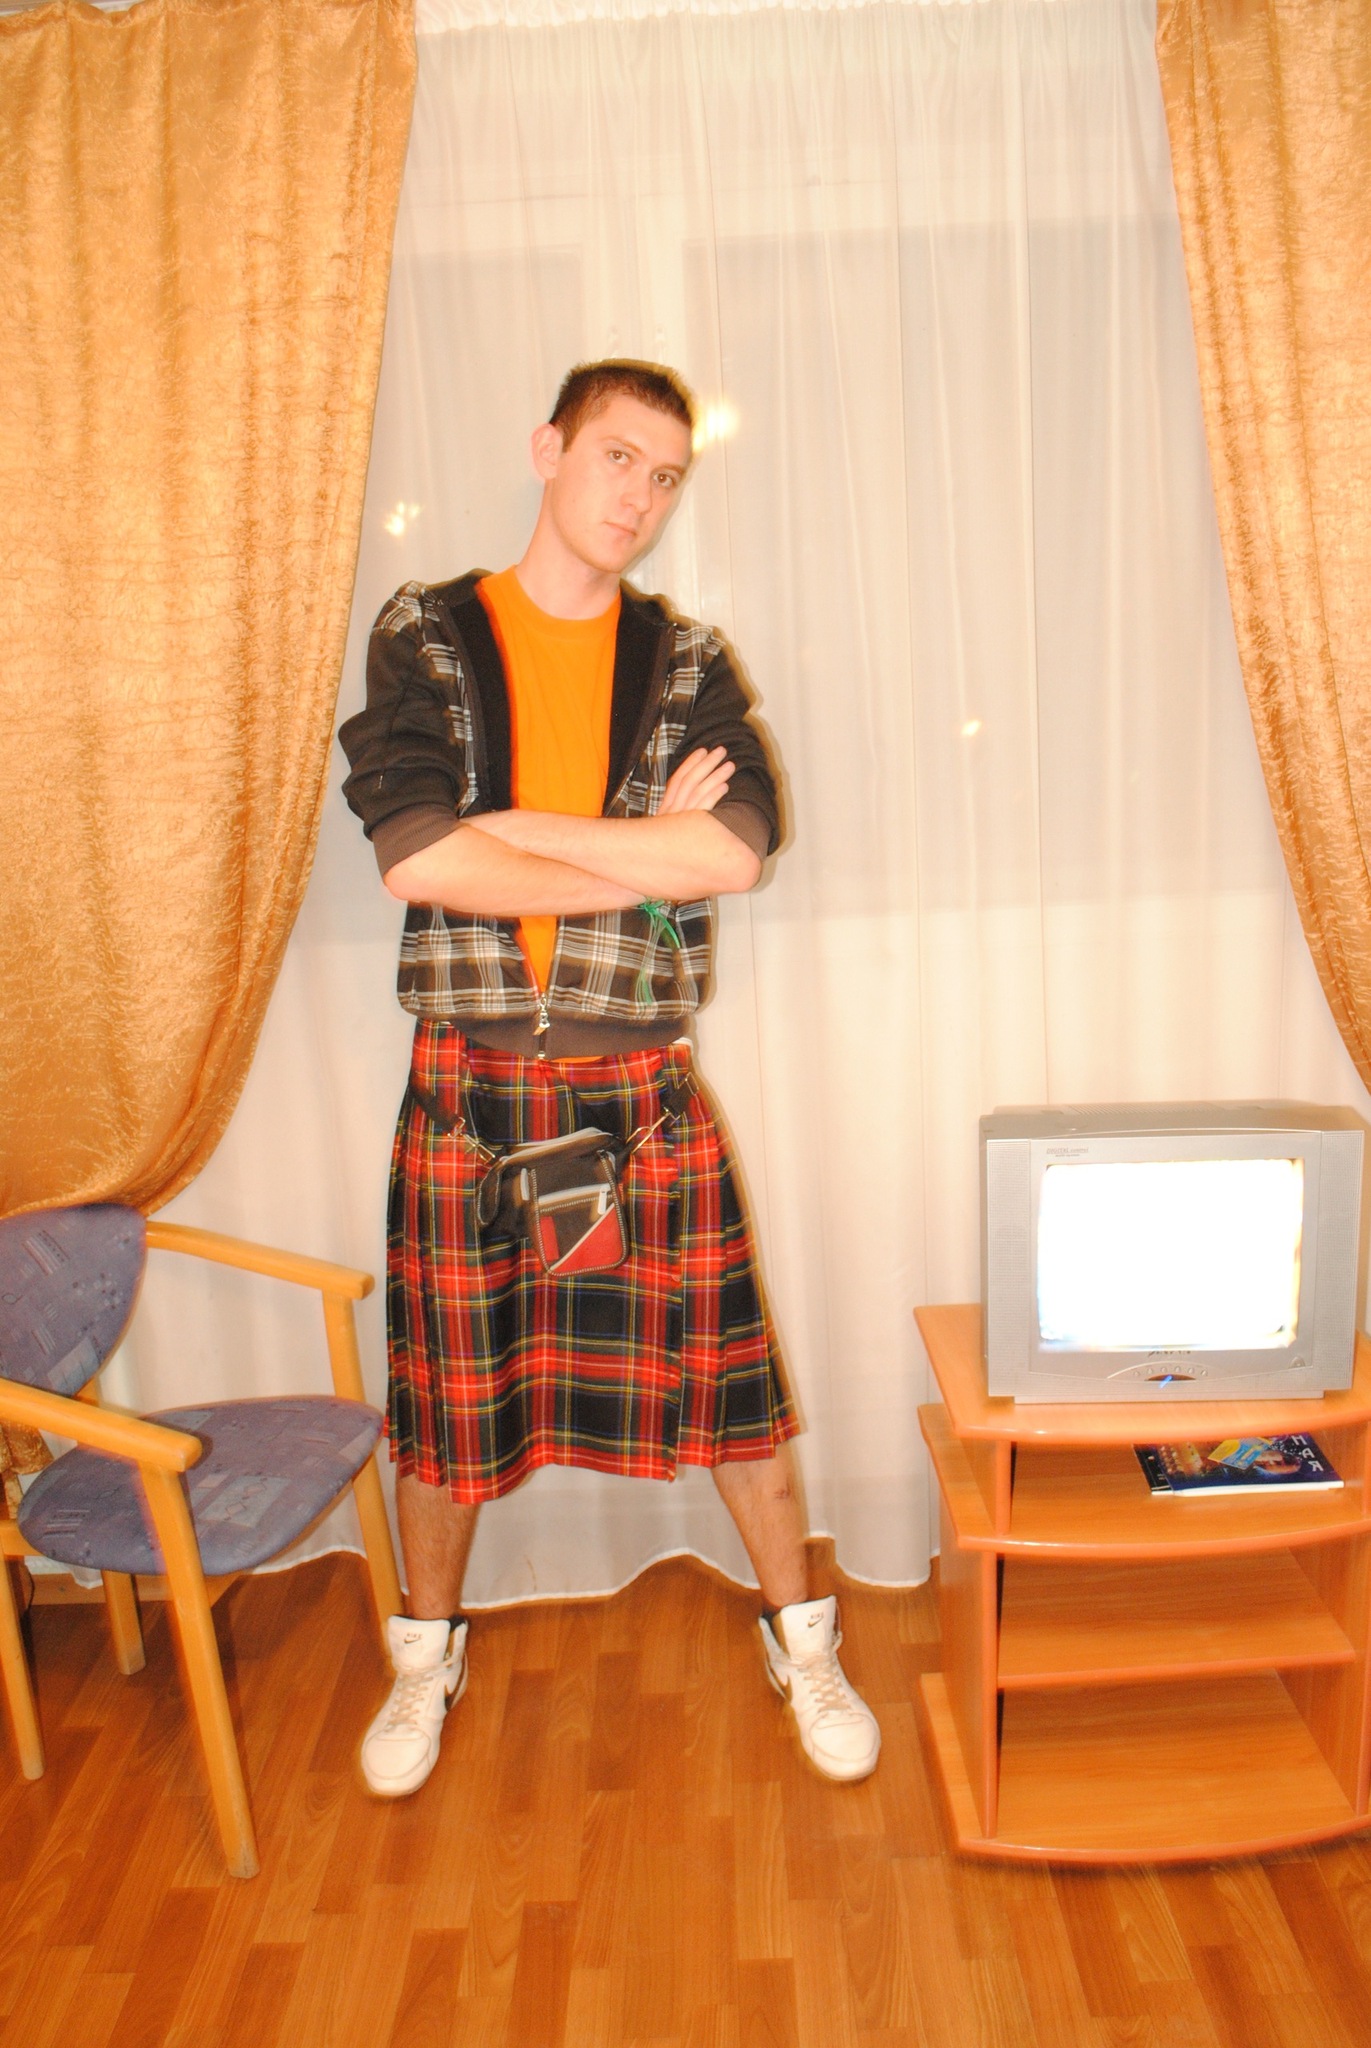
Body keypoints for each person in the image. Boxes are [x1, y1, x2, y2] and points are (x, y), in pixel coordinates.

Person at [339, 360, 879, 1797]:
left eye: (666, 476)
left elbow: (733, 855)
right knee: (448, 1405)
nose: (639, 496)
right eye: (617, 458)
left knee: (736, 1390)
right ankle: (424, 1657)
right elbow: (415, 854)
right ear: (549, 449)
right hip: (469, 1095)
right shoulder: (429, 634)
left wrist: (512, 828)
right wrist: (634, 851)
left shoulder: (688, 660)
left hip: (640, 1090)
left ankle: (804, 1640)